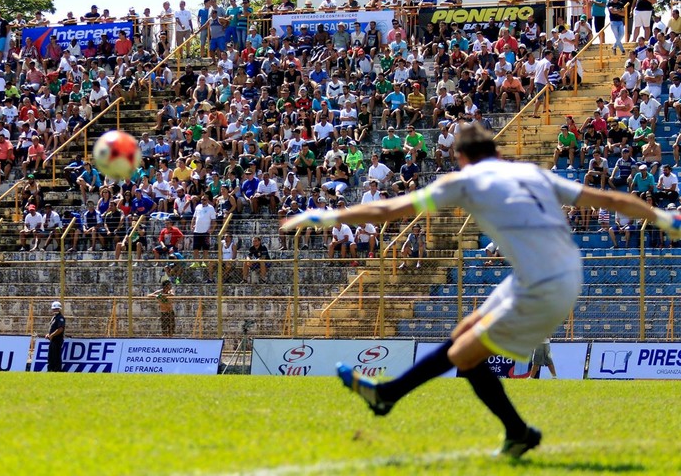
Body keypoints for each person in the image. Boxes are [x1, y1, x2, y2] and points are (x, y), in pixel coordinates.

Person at [281, 123, 681, 458]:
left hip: (543, 285)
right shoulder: (532, 173)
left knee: (463, 356)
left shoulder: (465, 181)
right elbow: (609, 198)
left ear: (460, 157)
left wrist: (327, 216)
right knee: (463, 333)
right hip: (557, 272)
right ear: (497, 152)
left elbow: (388, 210)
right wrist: (662, 217)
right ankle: (409, 402)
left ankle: (420, 404)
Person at [44, 301, 65, 373]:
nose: (55, 310)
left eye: (56, 309)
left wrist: (52, 335)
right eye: (54, 309)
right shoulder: (54, 318)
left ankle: (57, 370)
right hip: (53, 340)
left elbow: (60, 329)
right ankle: (51, 370)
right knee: (51, 356)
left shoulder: (60, 318)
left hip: (57, 340)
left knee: (56, 356)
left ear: (59, 309)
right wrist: (48, 334)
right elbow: (53, 329)